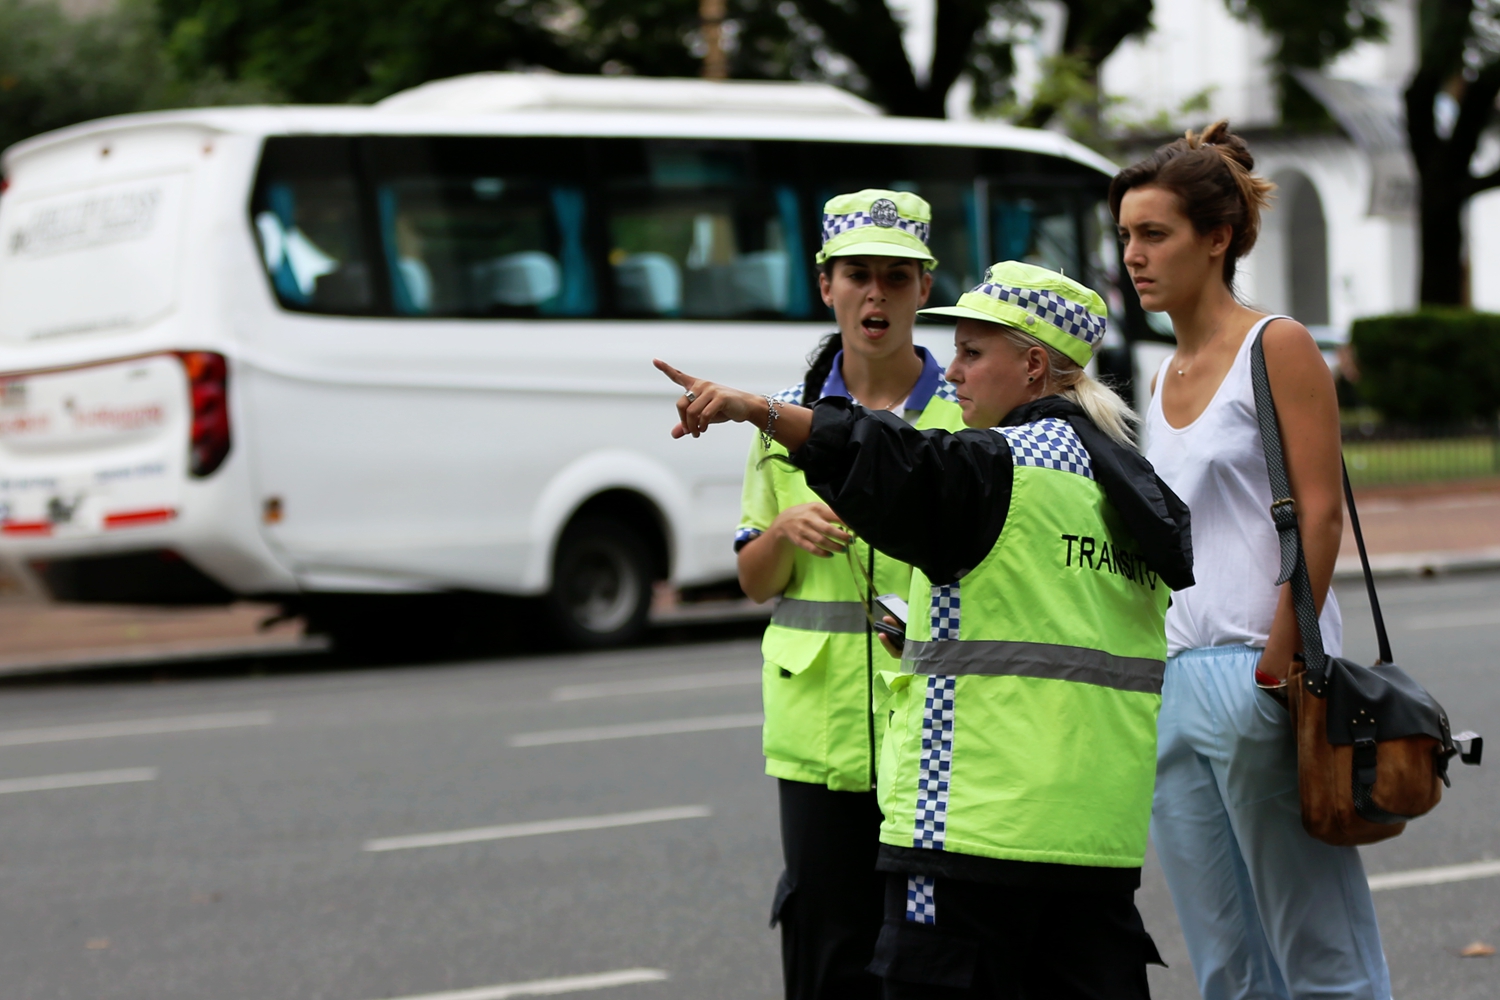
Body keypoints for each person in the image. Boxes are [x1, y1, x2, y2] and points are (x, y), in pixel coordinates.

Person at [657, 260, 1194, 999]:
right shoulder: (1129, 486)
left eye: (974, 354)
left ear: (1034, 365)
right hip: (1094, 844)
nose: (958, 374)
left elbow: (892, 459)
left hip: (972, 835)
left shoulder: (1000, 465)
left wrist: (761, 411)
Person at [1112, 120, 1391, 1000]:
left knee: (1321, 949)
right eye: (1125, 236)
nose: (1133, 255)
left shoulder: (1277, 344)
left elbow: (1318, 512)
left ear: (1218, 237)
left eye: (1153, 234)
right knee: (1227, 960)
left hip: (1261, 672)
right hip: (1179, 677)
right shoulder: (1161, 375)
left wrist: (1277, 659)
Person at [735, 189, 966, 1000]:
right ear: (826, 285)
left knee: (928, 959)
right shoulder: (784, 423)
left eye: (896, 278)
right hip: (818, 736)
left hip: (936, 730)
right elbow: (753, 580)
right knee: (828, 953)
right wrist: (783, 528)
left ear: (924, 290)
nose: (876, 295)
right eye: (858, 275)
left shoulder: (964, 418)